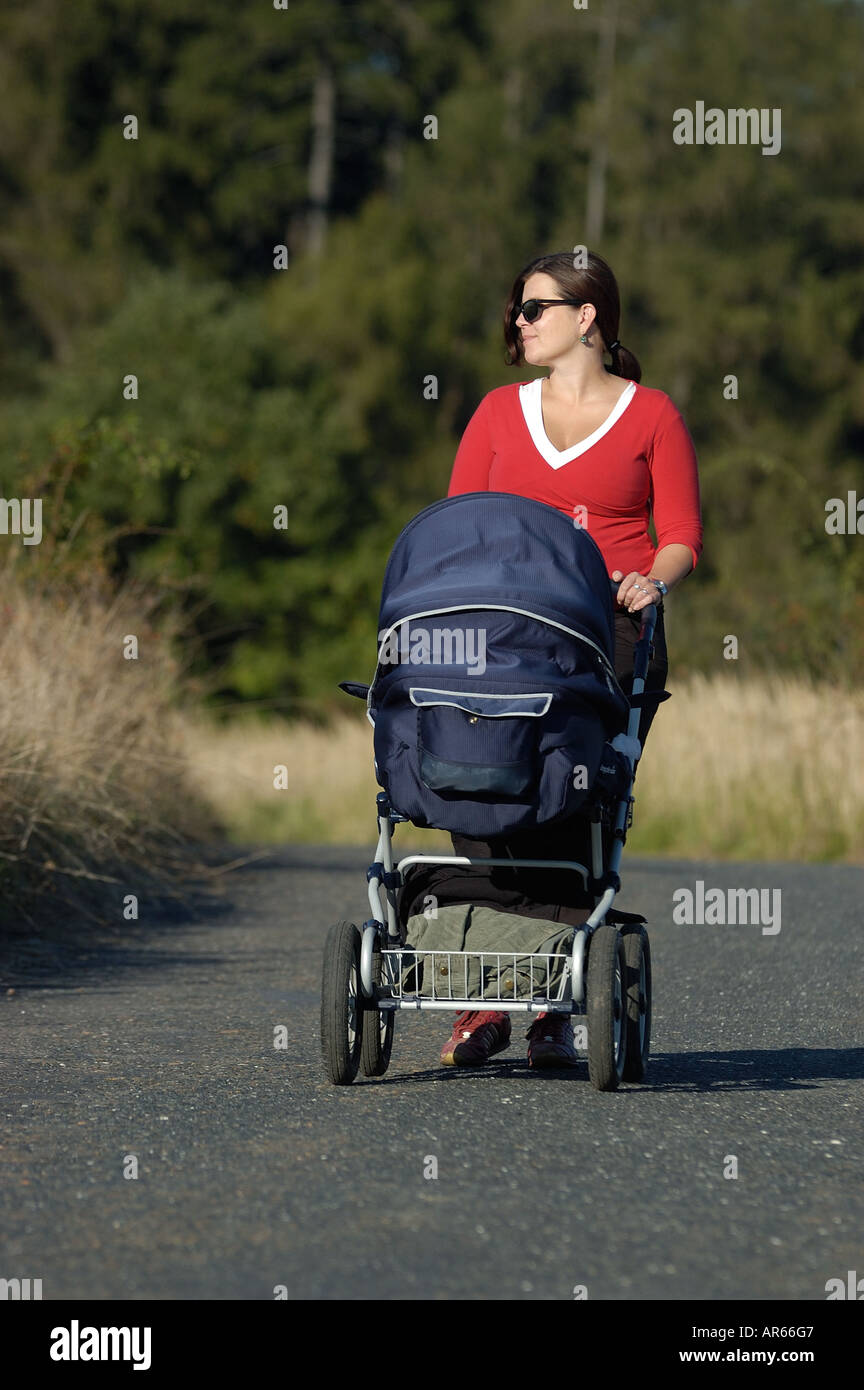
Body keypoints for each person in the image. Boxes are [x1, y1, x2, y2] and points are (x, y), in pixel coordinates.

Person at [427, 249, 703, 1068]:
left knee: (575, 793)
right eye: (517, 310)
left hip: (606, 631)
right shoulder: (494, 414)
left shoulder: (652, 415)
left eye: (533, 308)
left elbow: (682, 538)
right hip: (506, 636)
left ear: (587, 317)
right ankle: (483, 996)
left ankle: (553, 998)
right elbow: (456, 528)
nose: (518, 322)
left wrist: (651, 581)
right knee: (481, 773)